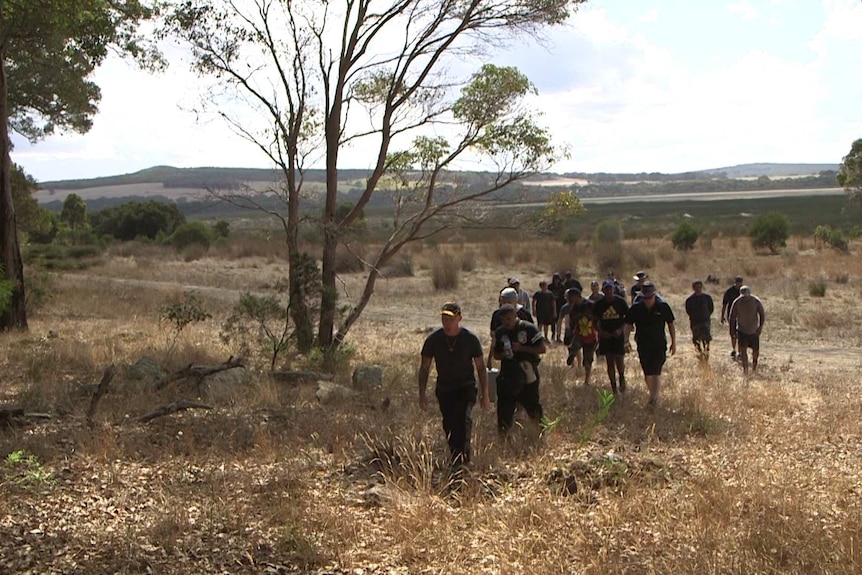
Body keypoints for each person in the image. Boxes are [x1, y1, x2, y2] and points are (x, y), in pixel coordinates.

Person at [419, 302, 491, 471]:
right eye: (444, 318)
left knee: (463, 421)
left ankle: (464, 460)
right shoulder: (433, 340)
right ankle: (455, 457)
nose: (447, 322)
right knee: (449, 424)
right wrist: (421, 393)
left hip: (465, 387)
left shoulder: (470, 339)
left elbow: (481, 368)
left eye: (450, 318)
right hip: (444, 389)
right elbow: (424, 368)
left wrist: (485, 394)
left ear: (459, 318)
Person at [493, 304, 546, 434]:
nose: (507, 322)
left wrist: (522, 348)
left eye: (509, 318)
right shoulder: (500, 332)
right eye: (504, 319)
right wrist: (503, 354)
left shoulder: (528, 328)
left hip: (527, 373)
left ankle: (540, 433)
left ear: (515, 315)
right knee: (505, 408)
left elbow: (542, 349)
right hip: (508, 374)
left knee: (532, 406)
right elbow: (496, 354)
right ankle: (504, 437)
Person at [624, 282, 676, 407]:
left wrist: (674, 342)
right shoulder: (636, 308)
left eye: (650, 297)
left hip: (659, 343)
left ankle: (654, 397)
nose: (648, 300)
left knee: (656, 371)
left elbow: (671, 324)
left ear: (654, 295)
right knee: (647, 372)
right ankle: (653, 394)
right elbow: (628, 326)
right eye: (645, 297)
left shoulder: (663, 307)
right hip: (643, 344)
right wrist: (626, 341)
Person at [592, 279, 630, 394]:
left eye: (610, 289)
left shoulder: (620, 302)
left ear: (613, 289)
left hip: (618, 335)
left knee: (620, 359)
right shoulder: (599, 304)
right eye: (606, 289)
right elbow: (594, 321)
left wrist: (620, 330)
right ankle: (613, 387)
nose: (609, 291)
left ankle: (622, 378)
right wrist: (601, 332)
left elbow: (627, 319)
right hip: (606, 336)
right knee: (609, 361)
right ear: (603, 290)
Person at [487, 287, 534, 370]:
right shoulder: (497, 315)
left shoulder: (524, 314)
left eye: (509, 302)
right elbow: (494, 338)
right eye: (503, 302)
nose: (506, 305)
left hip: (525, 357)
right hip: (507, 357)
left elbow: (532, 337)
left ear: (515, 301)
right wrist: (490, 358)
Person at [729, 285, 766, 375]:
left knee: (755, 351)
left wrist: (760, 327)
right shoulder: (737, 302)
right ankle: (745, 369)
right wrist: (732, 331)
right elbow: (732, 317)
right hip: (742, 330)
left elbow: (762, 314)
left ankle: (754, 367)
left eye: (746, 296)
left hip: (753, 330)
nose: (745, 298)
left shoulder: (756, 301)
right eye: (743, 296)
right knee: (743, 350)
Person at [566, 288, 598, 387]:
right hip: (579, 334)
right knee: (574, 346)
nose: (568, 299)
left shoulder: (590, 305)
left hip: (590, 334)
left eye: (570, 297)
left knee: (588, 359)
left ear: (576, 296)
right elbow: (572, 323)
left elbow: (598, 317)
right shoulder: (573, 309)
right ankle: (572, 353)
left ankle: (586, 381)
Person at [685, 279, 715, 359]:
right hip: (695, 322)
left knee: (706, 339)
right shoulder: (690, 300)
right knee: (696, 339)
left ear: (701, 287)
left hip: (705, 321)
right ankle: (699, 354)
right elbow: (688, 310)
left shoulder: (707, 298)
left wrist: (706, 316)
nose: (698, 288)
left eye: (699, 287)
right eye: (696, 287)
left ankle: (706, 353)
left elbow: (711, 308)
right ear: (693, 288)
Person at [720, 276, 744, 359]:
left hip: (742, 315)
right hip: (732, 315)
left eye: (740, 282)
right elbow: (724, 304)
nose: (739, 284)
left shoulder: (743, 291)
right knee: (733, 333)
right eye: (737, 282)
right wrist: (722, 316)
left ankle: (740, 352)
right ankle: (734, 349)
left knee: (741, 334)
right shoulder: (730, 291)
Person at [548, 273, 567, 342]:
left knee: (559, 322)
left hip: (560, 306)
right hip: (551, 306)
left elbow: (564, 297)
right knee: (552, 321)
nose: (556, 281)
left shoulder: (562, 287)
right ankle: (553, 334)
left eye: (558, 279)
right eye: (555, 279)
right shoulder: (550, 287)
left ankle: (558, 336)